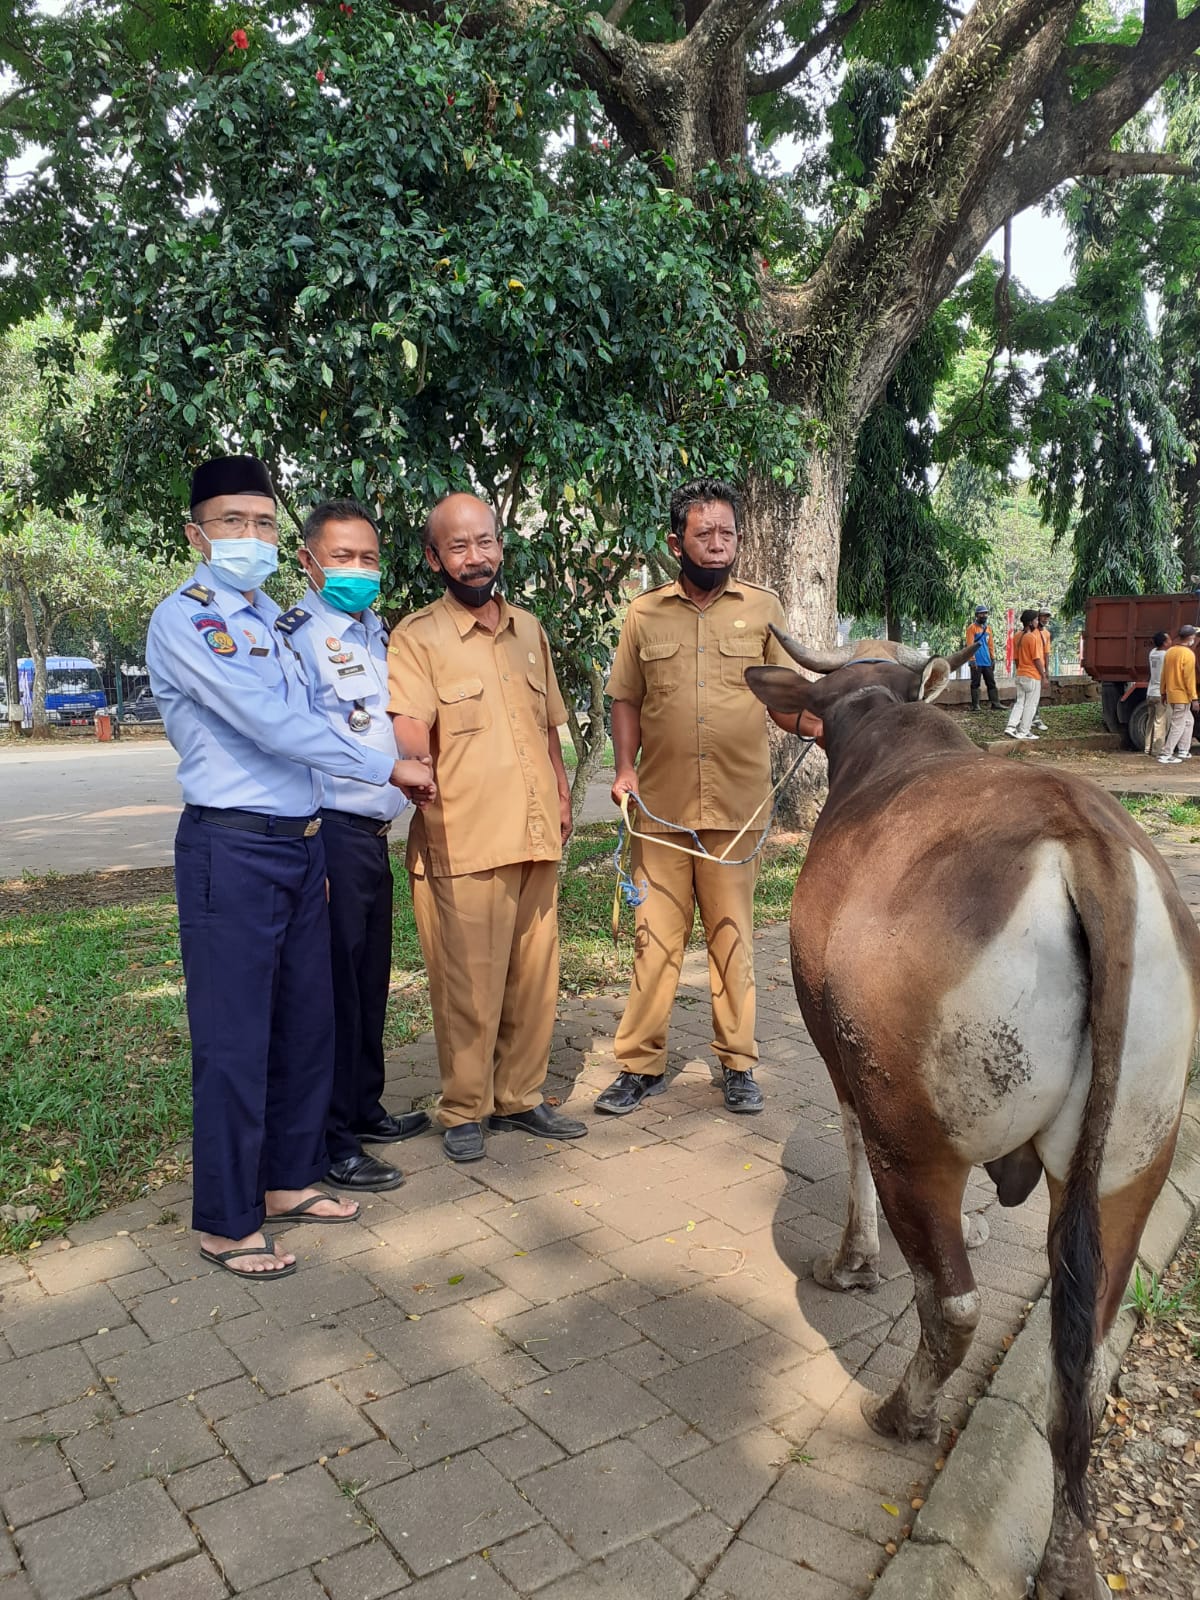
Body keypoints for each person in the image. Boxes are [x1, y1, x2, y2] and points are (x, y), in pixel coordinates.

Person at [146, 456, 435, 1280]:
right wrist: (385, 768)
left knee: (307, 1024)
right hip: (231, 846)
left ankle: (286, 1179)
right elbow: (272, 722)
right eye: (232, 522)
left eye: (263, 522)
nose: (250, 536)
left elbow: (326, 707)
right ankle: (226, 1222)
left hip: (302, 840)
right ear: (197, 534)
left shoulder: (273, 615)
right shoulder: (190, 619)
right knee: (236, 1040)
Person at [386, 492, 588, 1163]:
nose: (475, 558)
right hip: (462, 840)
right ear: (434, 556)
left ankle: (520, 1096)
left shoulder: (529, 630)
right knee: (468, 985)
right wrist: (411, 760)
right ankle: (465, 1108)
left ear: (501, 545)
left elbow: (548, 727)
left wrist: (561, 792)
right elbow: (409, 726)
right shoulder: (418, 637)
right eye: (459, 546)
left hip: (534, 833)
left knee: (534, 977)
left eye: (485, 542)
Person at [595, 476, 800, 1119]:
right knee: (654, 940)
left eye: (728, 534)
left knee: (733, 937)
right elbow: (625, 696)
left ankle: (737, 1064)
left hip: (738, 813)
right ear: (675, 540)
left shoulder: (764, 609)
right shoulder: (643, 614)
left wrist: (825, 726)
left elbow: (788, 700)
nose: (718, 545)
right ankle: (639, 1065)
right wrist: (624, 768)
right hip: (659, 810)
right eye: (704, 533)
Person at [287, 499, 432, 1193]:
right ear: (308, 562)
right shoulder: (294, 635)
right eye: (342, 557)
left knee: (369, 980)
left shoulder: (376, 631)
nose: (358, 570)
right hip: (329, 831)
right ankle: (332, 1139)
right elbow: (292, 739)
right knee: (335, 993)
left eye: (368, 558)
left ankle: (363, 1106)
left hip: (373, 837)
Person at [1004, 609, 1047, 740]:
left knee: (1020, 702)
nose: (1037, 622)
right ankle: (1024, 730)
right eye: (1035, 620)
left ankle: (1011, 727)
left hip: (1021, 673)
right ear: (1030, 622)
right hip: (1032, 675)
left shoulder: (1017, 636)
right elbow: (1036, 659)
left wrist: (1020, 670)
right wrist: (1043, 675)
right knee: (1031, 704)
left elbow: (1016, 658)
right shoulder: (1032, 637)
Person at [1159, 624, 1199, 765]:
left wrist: (1163, 692)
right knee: (1178, 724)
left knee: (1189, 721)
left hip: (1171, 693)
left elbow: (1163, 674)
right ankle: (1166, 753)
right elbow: (1189, 678)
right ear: (1190, 638)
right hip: (1182, 696)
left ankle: (1183, 750)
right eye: (1194, 636)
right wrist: (1194, 698)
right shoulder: (1188, 654)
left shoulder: (1170, 652)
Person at [964, 605, 1003, 712]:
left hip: (987, 661)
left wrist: (992, 658)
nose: (984, 615)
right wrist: (972, 660)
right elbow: (970, 645)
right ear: (976, 615)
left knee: (991, 682)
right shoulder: (971, 628)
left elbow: (990, 645)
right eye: (981, 613)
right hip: (976, 661)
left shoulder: (988, 629)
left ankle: (995, 703)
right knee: (975, 683)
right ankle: (975, 705)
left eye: (985, 613)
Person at [1145, 630, 1171, 758]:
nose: (1171, 642)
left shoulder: (1152, 653)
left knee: (1150, 721)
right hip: (1160, 693)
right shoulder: (1165, 655)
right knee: (1160, 722)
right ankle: (1158, 750)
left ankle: (1147, 748)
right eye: (1169, 640)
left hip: (1150, 691)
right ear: (1165, 643)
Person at [1031, 609, 1053, 731]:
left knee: (1036, 695)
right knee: (1028, 695)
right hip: (1031, 667)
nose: (1045, 619)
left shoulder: (1046, 634)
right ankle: (1033, 718)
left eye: (1047, 617)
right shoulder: (1031, 632)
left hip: (1040, 668)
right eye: (1043, 617)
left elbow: (1046, 653)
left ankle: (1036, 717)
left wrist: (1046, 670)